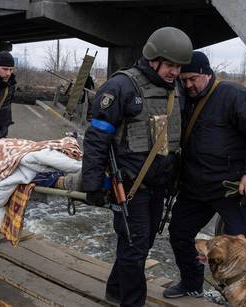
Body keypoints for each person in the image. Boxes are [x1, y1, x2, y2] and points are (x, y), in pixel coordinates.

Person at [82, 27, 193, 306]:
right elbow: (96, 139)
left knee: (140, 245)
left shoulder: (175, 89)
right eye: (169, 65)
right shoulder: (121, 87)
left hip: (160, 185)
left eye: (179, 67)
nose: (174, 72)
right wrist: (92, 184)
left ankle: (115, 289)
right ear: (153, 59)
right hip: (130, 186)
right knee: (135, 247)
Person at [162, 51, 246, 299]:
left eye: (192, 78)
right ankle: (191, 283)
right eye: (183, 80)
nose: (188, 85)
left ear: (207, 73)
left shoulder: (234, 95)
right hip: (194, 187)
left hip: (231, 188)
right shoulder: (182, 97)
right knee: (180, 234)